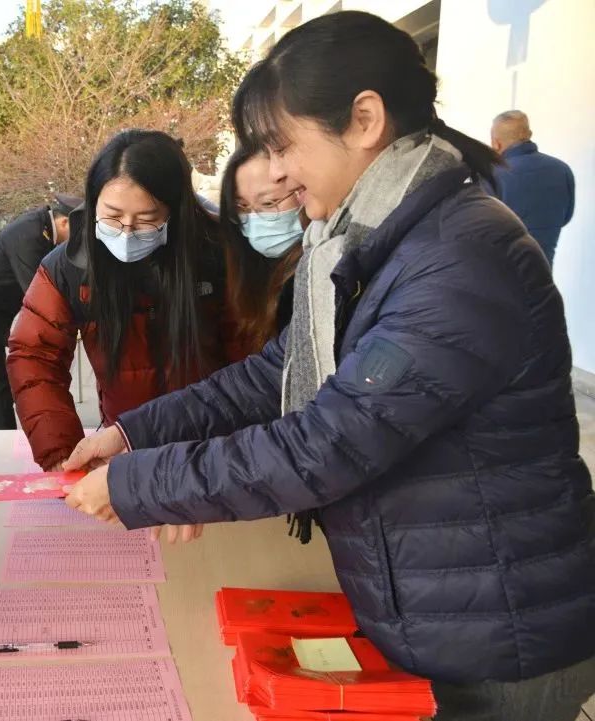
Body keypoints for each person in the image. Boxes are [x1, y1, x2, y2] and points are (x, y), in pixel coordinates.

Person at [64, 12, 595, 721]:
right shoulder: (365, 239)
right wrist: (133, 434)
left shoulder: (458, 258)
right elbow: (274, 374)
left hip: (498, 630)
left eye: (283, 145)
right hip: (438, 602)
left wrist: (141, 485)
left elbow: (328, 443)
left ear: (364, 119)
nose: (277, 173)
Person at [7, 129, 252, 472]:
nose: (126, 231)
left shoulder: (217, 254)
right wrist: (61, 450)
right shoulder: (70, 267)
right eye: (112, 216)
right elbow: (35, 355)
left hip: (212, 447)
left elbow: (250, 358)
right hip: (121, 445)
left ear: (175, 213)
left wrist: (243, 450)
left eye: (147, 220)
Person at [0, 192, 82, 448]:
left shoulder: (40, 227)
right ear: (64, 222)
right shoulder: (30, 235)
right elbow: (37, 291)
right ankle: (2, 453)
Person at [220, 145, 305, 351]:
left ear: (303, 192)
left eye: (268, 203)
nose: (254, 218)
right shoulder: (251, 268)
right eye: (242, 207)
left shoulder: (317, 272)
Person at [487, 110, 575, 265]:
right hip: (544, 272)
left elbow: (480, 230)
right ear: (529, 134)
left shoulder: (492, 174)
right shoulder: (562, 170)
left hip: (501, 272)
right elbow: (566, 217)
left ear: (496, 143)